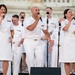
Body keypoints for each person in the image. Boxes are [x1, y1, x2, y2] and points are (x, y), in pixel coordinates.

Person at [23, 6, 51, 73]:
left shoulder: (42, 21)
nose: (38, 11)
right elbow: (31, 28)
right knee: (30, 59)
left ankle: (38, 73)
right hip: (29, 42)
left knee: (40, 59)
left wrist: (47, 37)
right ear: (31, 12)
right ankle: (31, 73)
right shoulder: (27, 20)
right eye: (36, 10)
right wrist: (37, 20)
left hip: (38, 42)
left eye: (38, 10)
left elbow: (46, 32)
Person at [59, 9, 75, 75]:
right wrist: (70, 20)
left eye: (71, 12)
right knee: (67, 60)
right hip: (66, 41)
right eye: (69, 12)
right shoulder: (63, 21)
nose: (71, 13)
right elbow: (65, 29)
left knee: (74, 60)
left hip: (73, 40)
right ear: (65, 14)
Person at [0, 4, 14, 75]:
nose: (3, 11)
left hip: (6, 40)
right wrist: (1, 19)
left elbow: (12, 29)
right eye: (2, 9)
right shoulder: (1, 18)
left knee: (6, 58)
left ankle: (4, 74)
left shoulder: (9, 19)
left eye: (4, 9)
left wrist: (12, 36)